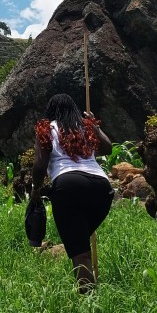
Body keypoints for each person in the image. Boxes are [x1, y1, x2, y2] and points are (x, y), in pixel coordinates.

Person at [31, 93, 114, 293]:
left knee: (80, 253)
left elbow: (40, 163)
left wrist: (35, 191)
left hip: (69, 186)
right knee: (80, 241)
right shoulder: (84, 128)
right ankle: (90, 292)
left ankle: (90, 307)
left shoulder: (47, 128)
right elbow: (108, 148)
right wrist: (95, 126)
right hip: (102, 188)